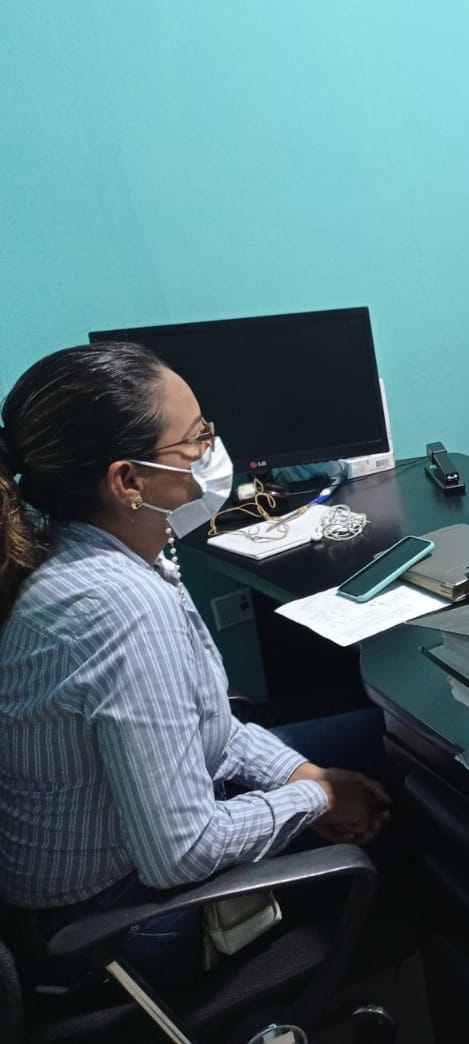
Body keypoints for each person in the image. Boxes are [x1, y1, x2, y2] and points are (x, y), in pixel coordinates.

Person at [0, 342, 390, 984]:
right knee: (409, 780)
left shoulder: (106, 552)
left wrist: (303, 772)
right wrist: (319, 798)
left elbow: (210, 723)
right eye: (195, 441)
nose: (212, 453)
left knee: (379, 738)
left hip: (135, 848)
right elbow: (179, 852)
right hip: (114, 925)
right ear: (128, 482)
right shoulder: (116, 606)